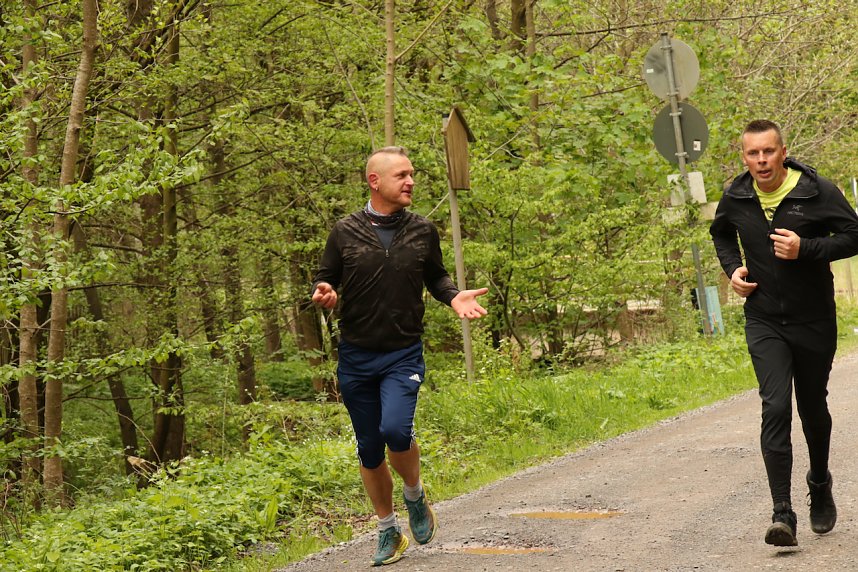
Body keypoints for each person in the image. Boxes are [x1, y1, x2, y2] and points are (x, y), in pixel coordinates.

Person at [311, 146, 488, 566]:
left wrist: (452, 296)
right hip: (356, 355)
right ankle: (388, 530)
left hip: (402, 354)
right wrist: (325, 292)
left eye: (412, 175)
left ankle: (414, 495)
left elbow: (437, 277)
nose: (410, 182)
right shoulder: (344, 231)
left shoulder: (423, 230)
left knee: (395, 428)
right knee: (370, 448)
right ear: (375, 182)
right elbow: (326, 277)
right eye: (401, 176)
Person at [710, 119, 858, 547]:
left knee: (812, 406)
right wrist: (732, 270)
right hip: (764, 319)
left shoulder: (817, 191)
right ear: (744, 157)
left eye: (768, 152)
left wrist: (806, 249)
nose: (761, 161)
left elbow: (853, 235)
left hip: (813, 319)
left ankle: (819, 482)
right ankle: (782, 512)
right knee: (775, 406)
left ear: (782, 151)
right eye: (753, 153)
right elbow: (720, 234)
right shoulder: (736, 196)